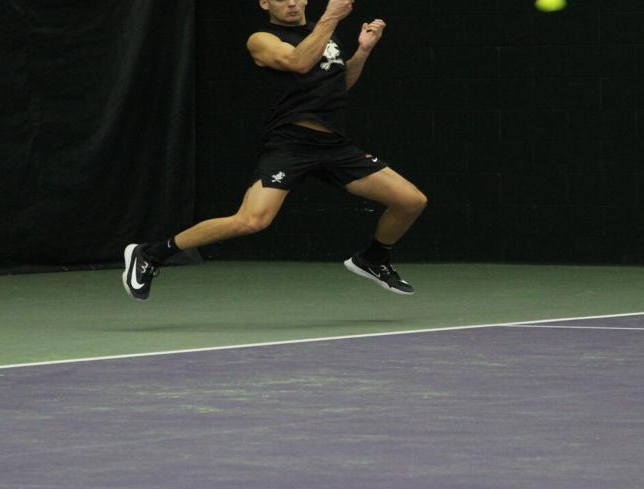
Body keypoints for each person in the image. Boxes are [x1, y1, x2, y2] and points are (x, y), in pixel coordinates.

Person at [124, 0, 427, 301]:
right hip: (291, 143)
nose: (292, 2)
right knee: (251, 220)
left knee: (410, 201)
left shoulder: (323, 34)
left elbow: (339, 84)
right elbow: (298, 62)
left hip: (335, 146)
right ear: (265, 3)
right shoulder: (262, 40)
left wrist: (363, 51)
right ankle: (150, 254)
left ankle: (373, 258)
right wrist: (331, 17)